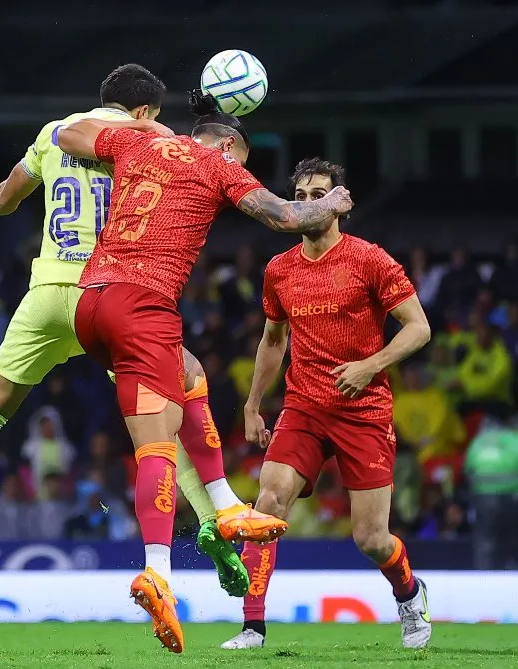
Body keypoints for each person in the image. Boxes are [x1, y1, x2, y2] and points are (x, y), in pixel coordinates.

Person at [0, 65, 282, 602]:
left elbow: (4, 199)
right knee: (165, 410)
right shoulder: (149, 143)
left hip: (46, 293)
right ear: (142, 112)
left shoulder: (53, 133)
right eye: (154, 117)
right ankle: (213, 522)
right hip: (112, 293)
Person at [57, 98, 354, 652]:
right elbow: (288, 217)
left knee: (190, 373)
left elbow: (67, 134)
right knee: (158, 445)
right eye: (241, 155)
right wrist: (333, 200)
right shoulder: (217, 164)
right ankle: (158, 574)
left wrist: (143, 124)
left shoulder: (139, 141)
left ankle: (225, 508)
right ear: (227, 146)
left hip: (90, 305)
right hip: (143, 305)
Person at [218, 158, 432, 651]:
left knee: (370, 539)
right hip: (305, 406)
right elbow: (273, 342)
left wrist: (370, 365)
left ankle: (408, 593)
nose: (310, 203)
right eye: (302, 196)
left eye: (319, 194)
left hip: (365, 408)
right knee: (268, 502)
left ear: (341, 202)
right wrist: (253, 403)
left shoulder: (370, 260)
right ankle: (253, 627)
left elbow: (419, 328)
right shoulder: (279, 270)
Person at [464, 414, 518, 570]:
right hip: (516, 501)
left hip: (484, 501)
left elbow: (468, 471)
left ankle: (485, 581)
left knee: (487, 546)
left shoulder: (479, 442)